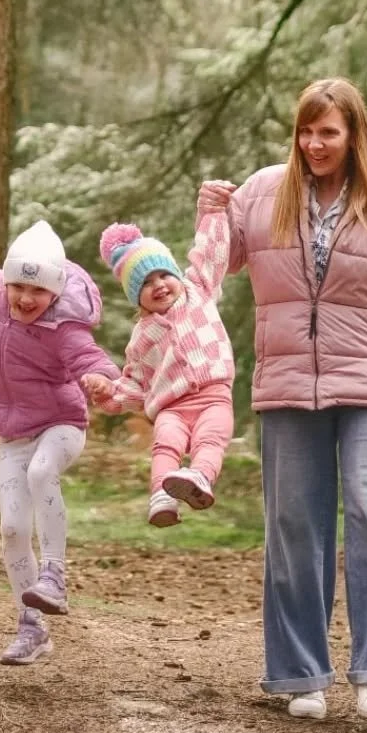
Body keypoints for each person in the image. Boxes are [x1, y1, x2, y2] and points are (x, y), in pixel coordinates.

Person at [199, 77, 367, 724]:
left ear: (354, 134)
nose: (314, 143)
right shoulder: (265, 191)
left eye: (329, 132)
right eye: (306, 130)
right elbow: (215, 268)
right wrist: (212, 213)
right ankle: (300, 674)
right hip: (289, 381)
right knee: (295, 525)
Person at [0, 198, 118, 665]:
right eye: (18, 285)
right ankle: (31, 627)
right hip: (12, 436)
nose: (26, 298)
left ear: (54, 292)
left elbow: (92, 361)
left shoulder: (63, 326)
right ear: (7, 280)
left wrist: (103, 382)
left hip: (61, 426)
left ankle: (55, 573)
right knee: (12, 528)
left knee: (41, 473)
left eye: (38, 290)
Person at [82, 211, 235, 528]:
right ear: (136, 297)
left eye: (164, 275)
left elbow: (210, 251)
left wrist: (215, 211)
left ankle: (200, 478)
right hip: (171, 408)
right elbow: (135, 386)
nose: (159, 285)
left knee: (211, 439)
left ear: (177, 275)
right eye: (146, 283)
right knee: (165, 443)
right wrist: (107, 391)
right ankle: (161, 498)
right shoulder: (142, 337)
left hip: (214, 396)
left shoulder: (198, 292)